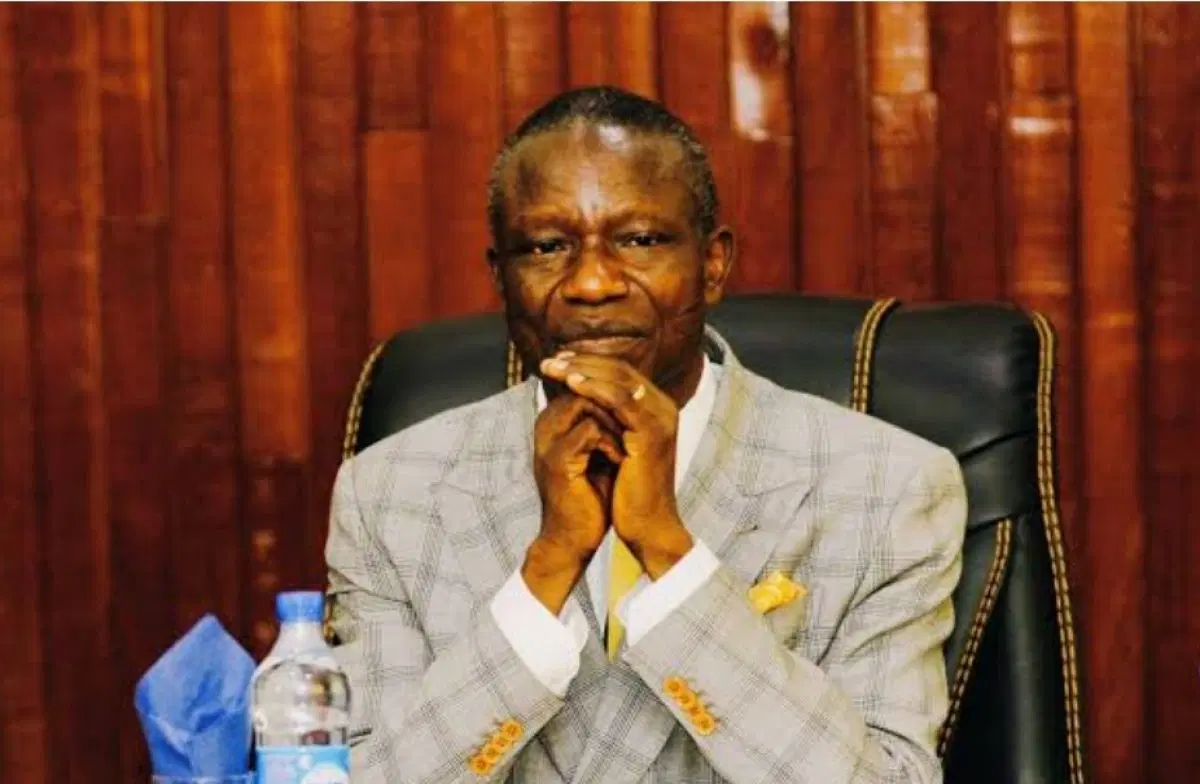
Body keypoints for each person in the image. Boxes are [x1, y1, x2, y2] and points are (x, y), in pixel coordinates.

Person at [324, 86, 967, 784]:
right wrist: (546, 570)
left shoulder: (884, 488)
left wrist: (671, 553)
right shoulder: (391, 494)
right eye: (546, 246)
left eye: (639, 240)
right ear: (501, 278)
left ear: (712, 264)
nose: (592, 283)